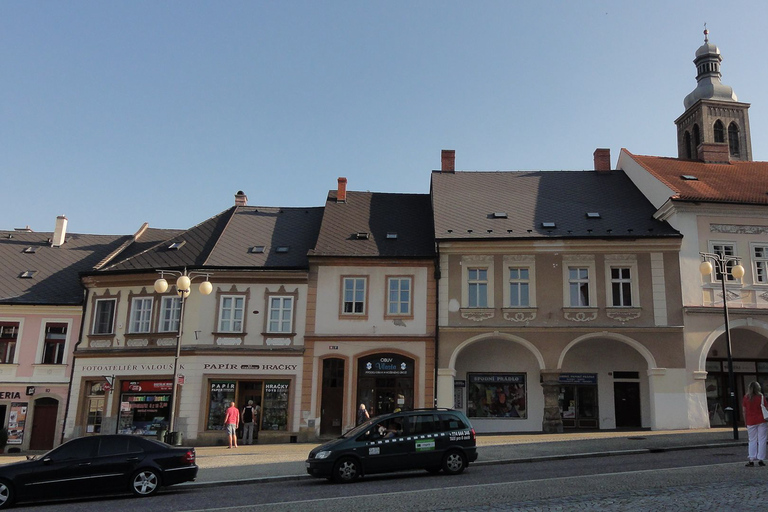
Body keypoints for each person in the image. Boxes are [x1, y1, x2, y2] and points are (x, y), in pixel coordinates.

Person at [741, 380, 768, 466]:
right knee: (762, 440)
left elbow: (744, 411)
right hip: (762, 420)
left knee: (752, 440)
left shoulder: (746, 398)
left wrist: (745, 422)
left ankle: (751, 459)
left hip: (750, 421)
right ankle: (761, 459)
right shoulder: (761, 397)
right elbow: (766, 408)